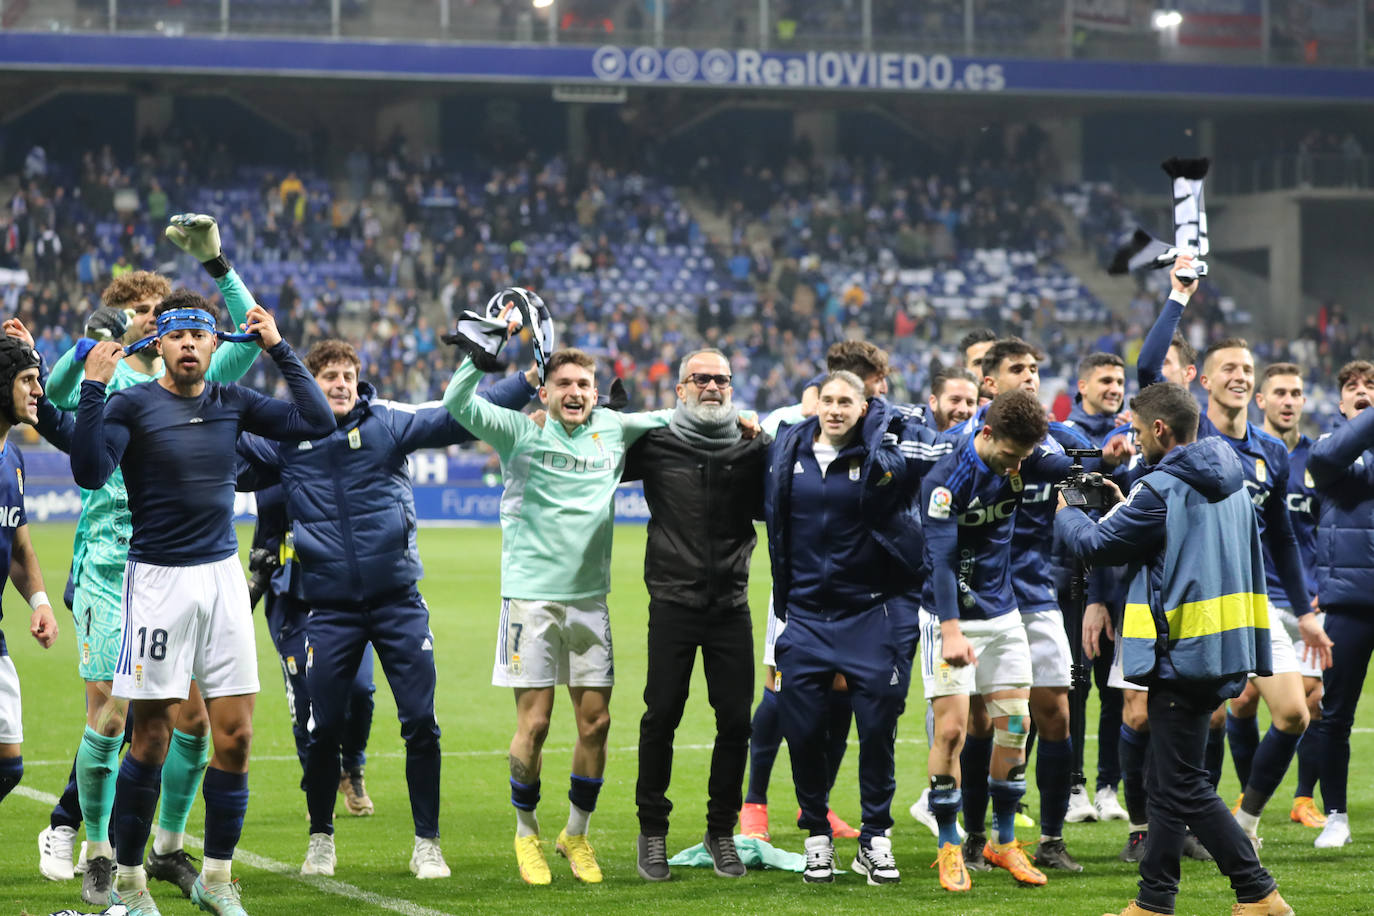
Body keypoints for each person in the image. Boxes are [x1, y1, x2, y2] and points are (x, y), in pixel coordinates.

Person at [70, 294, 335, 916]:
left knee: (237, 736)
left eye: (199, 334)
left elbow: (317, 420)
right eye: (177, 334)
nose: (188, 344)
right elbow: (87, 470)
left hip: (221, 581)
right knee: (153, 737)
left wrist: (277, 345)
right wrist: (92, 388)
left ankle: (217, 878)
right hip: (158, 582)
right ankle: (131, 885)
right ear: (158, 345)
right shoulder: (131, 404)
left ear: (215, 347)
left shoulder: (232, 402)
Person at [236, 340, 539, 878]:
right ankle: (321, 838)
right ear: (309, 383)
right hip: (327, 609)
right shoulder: (284, 440)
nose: (341, 383)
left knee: (421, 721)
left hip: (398, 601)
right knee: (324, 726)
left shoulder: (388, 422)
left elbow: (457, 418)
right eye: (329, 375)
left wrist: (529, 380)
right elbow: (224, 445)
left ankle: (428, 843)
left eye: (349, 375)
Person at [34, 216, 265, 905]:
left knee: (192, 722)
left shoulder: (192, 375)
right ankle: (91, 846)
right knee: (111, 717)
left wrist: (220, 265)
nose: (149, 325)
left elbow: (247, 340)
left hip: (192, 565)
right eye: (136, 316)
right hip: (114, 565)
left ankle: (166, 848)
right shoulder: (110, 385)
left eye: (156, 315)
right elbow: (55, 402)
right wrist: (87, 348)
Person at [1056, 382, 1292, 916]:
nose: (1135, 441)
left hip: (1179, 651)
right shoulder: (1229, 476)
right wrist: (1126, 508)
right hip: (1220, 645)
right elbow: (1176, 539)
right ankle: (1154, 900)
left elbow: (1097, 545)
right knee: (1167, 779)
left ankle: (1259, 892)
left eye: (1138, 431)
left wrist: (1069, 509)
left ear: (1160, 429)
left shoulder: (1160, 486)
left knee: (1183, 784)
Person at [443, 346, 674, 886]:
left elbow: (676, 416)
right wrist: (480, 355)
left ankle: (576, 833)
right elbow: (458, 402)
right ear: (543, 391)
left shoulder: (614, 429)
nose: (574, 393)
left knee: (597, 722)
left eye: (584, 386)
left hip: (590, 600)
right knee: (537, 723)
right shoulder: (520, 433)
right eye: (563, 383)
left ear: (596, 394)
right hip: (529, 600)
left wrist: (741, 416)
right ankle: (527, 834)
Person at [622, 348, 769, 882]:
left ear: (732, 388)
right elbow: (587, 458)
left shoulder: (753, 447)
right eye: (700, 378)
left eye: (721, 379)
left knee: (735, 722)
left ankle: (721, 831)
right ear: (679, 389)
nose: (712, 386)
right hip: (673, 603)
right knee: (661, 717)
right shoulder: (656, 443)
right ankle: (652, 832)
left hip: (731, 605)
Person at [765, 371, 918, 885]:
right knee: (804, 734)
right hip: (804, 617)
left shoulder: (883, 457)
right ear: (815, 405)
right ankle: (816, 838)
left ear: (862, 408)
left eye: (846, 402)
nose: (834, 409)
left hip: (866, 616)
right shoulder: (788, 452)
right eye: (827, 400)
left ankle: (875, 838)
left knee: (877, 733)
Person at [920, 389, 1059, 892]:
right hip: (949, 616)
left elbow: (1058, 461)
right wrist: (951, 630)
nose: (1014, 467)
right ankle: (949, 847)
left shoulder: (1023, 455)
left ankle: (1002, 843)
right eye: (1008, 455)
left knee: (1015, 726)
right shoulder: (945, 480)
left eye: (1023, 457)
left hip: (1004, 614)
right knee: (953, 733)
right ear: (985, 434)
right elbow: (937, 558)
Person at [1250, 363, 1327, 831]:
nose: (1289, 400)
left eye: (1296, 393)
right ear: (1261, 399)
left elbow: (1323, 532)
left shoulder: (1320, 459)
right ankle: (1248, 790)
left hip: (1305, 597)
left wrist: (1319, 593)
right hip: (1256, 596)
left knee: (1310, 701)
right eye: (1279, 392)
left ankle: (1302, 798)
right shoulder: (1258, 456)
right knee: (1238, 703)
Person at [1054, 352, 1129, 825]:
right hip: (1072, 581)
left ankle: (1108, 786)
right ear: (1082, 386)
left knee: (1116, 689)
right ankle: (1075, 785)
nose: (1115, 387)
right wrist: (1108, 459)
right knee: (1077, 685)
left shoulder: (1132, 433)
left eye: (1120, 381)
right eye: (1105, 380)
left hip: (1121, 580)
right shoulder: (1065, 436)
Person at [1306, 359, 1374, 849]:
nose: (1362, 391)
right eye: (1353, 386)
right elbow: (1333, 459)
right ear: (1340, 401)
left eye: (1371, 385)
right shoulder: (1327, 448)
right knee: (1336, 714)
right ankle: (1335, 815)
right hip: (1349, 602)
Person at [0, 336, 61, 809]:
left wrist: (40, 602)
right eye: (26, 380)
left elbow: (18, 545)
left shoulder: (14, 460)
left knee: (9, 765)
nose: (37, 390)